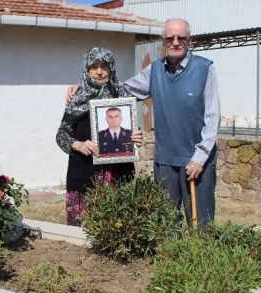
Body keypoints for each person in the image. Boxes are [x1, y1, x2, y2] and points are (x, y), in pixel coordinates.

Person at [67, 18, 220, 228]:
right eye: (170, 38)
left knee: (202, 225)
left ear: (189, 39)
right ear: (162, 41)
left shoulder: (205, 69)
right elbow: (121, 91)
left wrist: (200, 158)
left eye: (181, 37)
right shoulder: (154, 70)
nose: (175, 42)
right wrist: (85, 87)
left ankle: (206, 262)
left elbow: (213, 118)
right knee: (166, 227)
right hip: (165, 162)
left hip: (197, 162)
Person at [56, 48, 135, 227]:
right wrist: (77, 144)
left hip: (118, 172)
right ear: (87, 70)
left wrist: (135, 137)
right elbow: (61, 135)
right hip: (84, 171)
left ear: (111, 68)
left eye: (104, 66)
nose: (99, 72)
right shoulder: (77, 98)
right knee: (83, 230)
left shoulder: (122, 95)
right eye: (94, 67)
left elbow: (132, 131)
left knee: (119, 225)